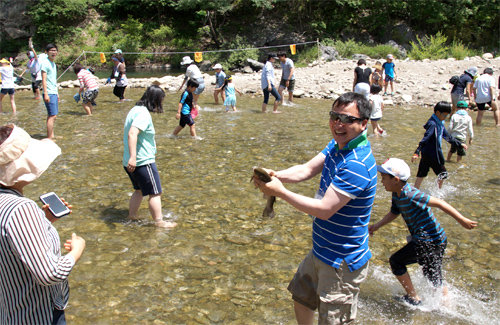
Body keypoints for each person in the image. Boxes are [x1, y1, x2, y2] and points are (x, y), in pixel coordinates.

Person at [254, 92, 376, 324]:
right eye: (334, 116)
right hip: (321, 250)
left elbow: (324, 209)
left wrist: (281, 192)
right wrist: (276, 176)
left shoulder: (357, 164)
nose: (338, 124)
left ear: (363, 124)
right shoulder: (338, 145)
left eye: (347, 119)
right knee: (301, 297)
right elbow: (307, 169)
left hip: (341, 261)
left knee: (332, 320)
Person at [0, 124, 86, 324]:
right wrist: (76, 251)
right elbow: (50, 273)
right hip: (38, 315)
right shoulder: (21, 209)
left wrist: (42, 220)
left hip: (10, 312)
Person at [369, 158, 477, 305]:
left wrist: (462, 220)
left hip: (429, 240)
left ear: (395, 180)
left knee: (396, 261)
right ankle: (445, 306)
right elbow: (394, 213)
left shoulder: (410, 194)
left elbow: (440, 203)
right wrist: (377, 226)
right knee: (432, 274)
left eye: (384, 178)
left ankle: (414, 298)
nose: (381, 182)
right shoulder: (396, 194)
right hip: (433, 239)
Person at [123, 85, 177, 228]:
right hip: (142, 161)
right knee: (155, 192)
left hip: (130, 161)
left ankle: (132, 216)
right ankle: (159, 222)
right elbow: (132, 133)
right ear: (156, 100)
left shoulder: (134, 110)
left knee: (139, 190)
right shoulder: (143, 114)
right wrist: (134, 157)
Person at [411, 101, 466, 189]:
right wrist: (416, 152)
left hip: (426, 153)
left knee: (422, 173)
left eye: (447, 115)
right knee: (443, 174)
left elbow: (447, 136)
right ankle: (438, 191)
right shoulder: (433, 124)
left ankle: (414, 190)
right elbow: (425, 138)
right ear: (437, 113)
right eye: (444, 115)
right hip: (433, 154)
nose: (445, 117)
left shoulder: (439, 123)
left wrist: (459, 144)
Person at [40, 44, 59, 139]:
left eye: (55, 50)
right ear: (46, 52)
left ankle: (51, 135)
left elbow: (53, 80)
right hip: (49, 93)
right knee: (53, 116)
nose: (53, 52)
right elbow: (44, 79)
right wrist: (46, 94)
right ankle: (49, 138)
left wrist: (57, 93)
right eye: (51, 50)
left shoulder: (53, 64)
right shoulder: (45, 63)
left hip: (53, 92)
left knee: (51, 115)